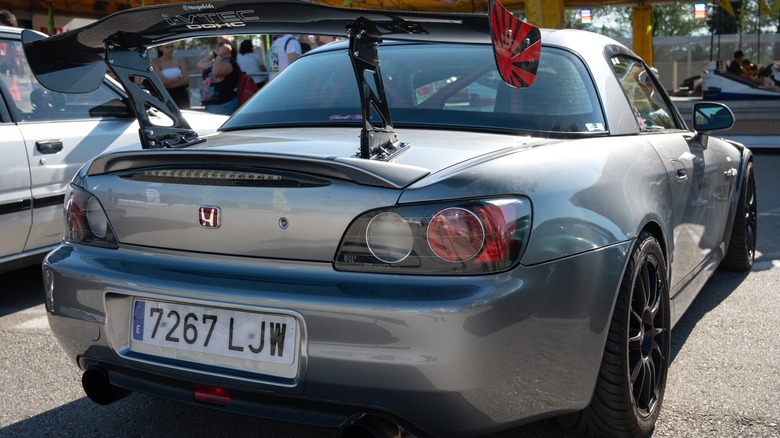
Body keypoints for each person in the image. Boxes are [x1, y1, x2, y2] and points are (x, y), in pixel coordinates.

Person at [197, 36, 240, 115]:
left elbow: (216, 72)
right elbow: (200, 64)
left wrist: (219, 55)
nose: (217, 46)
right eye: (217, 44)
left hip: (224, 104)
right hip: (211, 104)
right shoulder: (217, 61)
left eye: (221, 44)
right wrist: (214, 54)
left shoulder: (229, 62)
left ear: (229, 46)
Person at [152, 43, 190, 109]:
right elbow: (161, 81)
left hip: (181, 93)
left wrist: (171, 85)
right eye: (167, 47)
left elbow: (186, 80)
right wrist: (178, 78)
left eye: (172, 46)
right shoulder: (156, 62)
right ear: (161, 48)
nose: (170, 49)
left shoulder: (180, 60)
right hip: (166, 93)